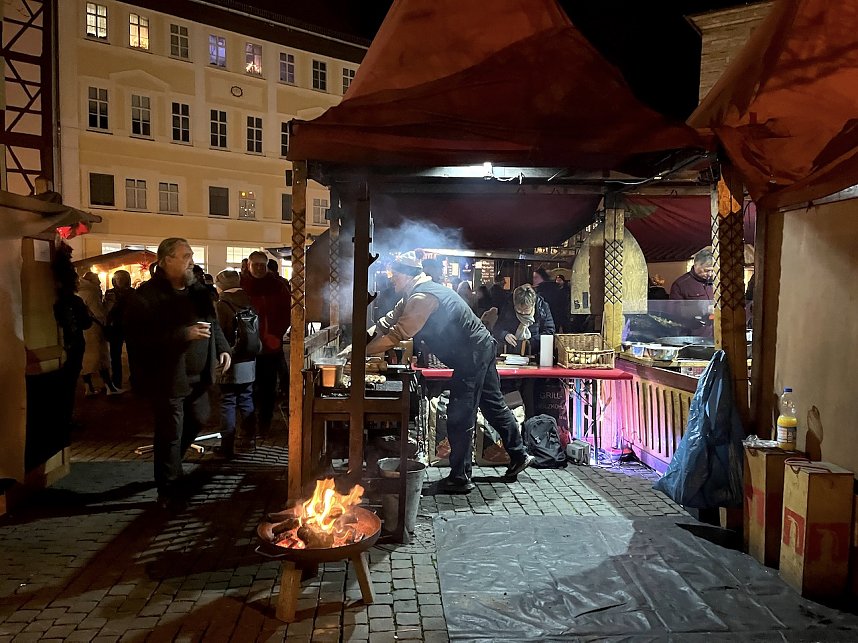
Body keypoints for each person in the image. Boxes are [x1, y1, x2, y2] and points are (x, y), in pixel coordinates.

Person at [357, 252, 535, 493]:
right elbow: (386, 322)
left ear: (407, 275)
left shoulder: (422, 297)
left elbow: (398, 334)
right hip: (480, 348)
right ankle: (519, 454)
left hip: (471, 354)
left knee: (460, 413)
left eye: (394, 275)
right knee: (492, 403)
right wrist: (358, 341)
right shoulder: (413, 294)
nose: (392, 280)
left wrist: (359, 355)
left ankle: (460, 478)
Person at [125, 237, 231, 508]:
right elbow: (140, 340)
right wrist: (182, 334)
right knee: (170, 431)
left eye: (191, 255)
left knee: (198, 419)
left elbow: (213, 323)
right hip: (168, 377)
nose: (191, 261)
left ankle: (171, 463)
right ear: (165, 261)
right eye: (185, 256)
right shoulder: (147, 296)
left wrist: (223, 348)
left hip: (199, 375)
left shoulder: (198, 292)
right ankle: (168, 489)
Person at [241, 250, 291, 436]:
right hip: (247, 347)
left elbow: (287, 312)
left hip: (270, 345)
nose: (260, 269)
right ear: (249, 265)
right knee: (248, 388)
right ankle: (248, 426)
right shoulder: (242, 285)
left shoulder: (277, 286)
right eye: (256, 265)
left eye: (263, 265)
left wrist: (276, 334)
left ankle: (264, 424)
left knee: (268, 387)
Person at [214, 270, 256, 458]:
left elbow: (219, 333)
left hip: (230, 359)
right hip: (249, 359)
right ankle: (248, 441)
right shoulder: (249, 301)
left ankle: (227, 446)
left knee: (228, 402)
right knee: (246, 399)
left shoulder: (222, 305)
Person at [78, 271, 121, 395]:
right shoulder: (91, 292)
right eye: (97, 279)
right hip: (94, 329)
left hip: (85, 329)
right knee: (100, 358)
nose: (100, 282)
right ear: (91, 280)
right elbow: (100, 313)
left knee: (87, 359)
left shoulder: (81, 291)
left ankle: (89, 387)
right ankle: (109, 387)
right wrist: (110, 302)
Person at [492, 284, 555, 358]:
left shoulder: (542, 308)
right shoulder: (508, 305)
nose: (522, 313)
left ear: (533, 305)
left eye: (526, 310)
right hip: (511, 352)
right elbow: (497, 328)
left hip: (535, 353)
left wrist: (531, 341)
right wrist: (505, 335)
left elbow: (549, 331)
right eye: (518, 309)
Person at [103, 270, 133, 389]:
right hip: (116, 327)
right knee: (115, 356)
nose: (120, 280)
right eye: (117, 278)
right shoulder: (110, 293)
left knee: (133, 355)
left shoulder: (132, 293)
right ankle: (116, 380)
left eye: (122, 278)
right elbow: (107, 310)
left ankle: (135, 378)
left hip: (130, 327)